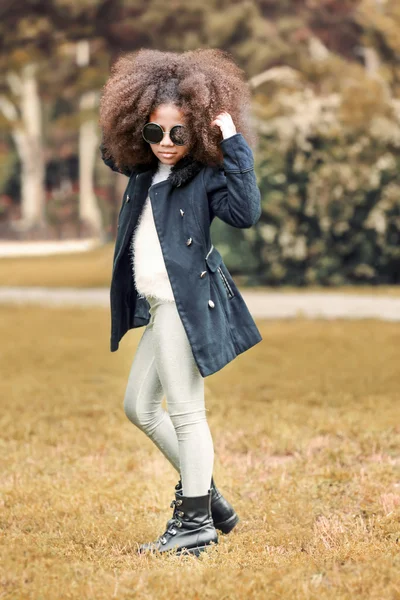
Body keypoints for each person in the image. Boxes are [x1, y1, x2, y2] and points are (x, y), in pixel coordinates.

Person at [99, 47, 263, 557]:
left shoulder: (205, 174)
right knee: (138, 406)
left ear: (196, 133)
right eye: (153, 132)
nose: (166, 144)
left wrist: (230, 138)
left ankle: (195, 524)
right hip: (158, 304)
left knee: (187, 413)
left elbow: (246, 212)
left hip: (184, 302)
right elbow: (112, 149)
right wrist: (129, 118)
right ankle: (207, 497)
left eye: (178, 133)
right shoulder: (144, 170)